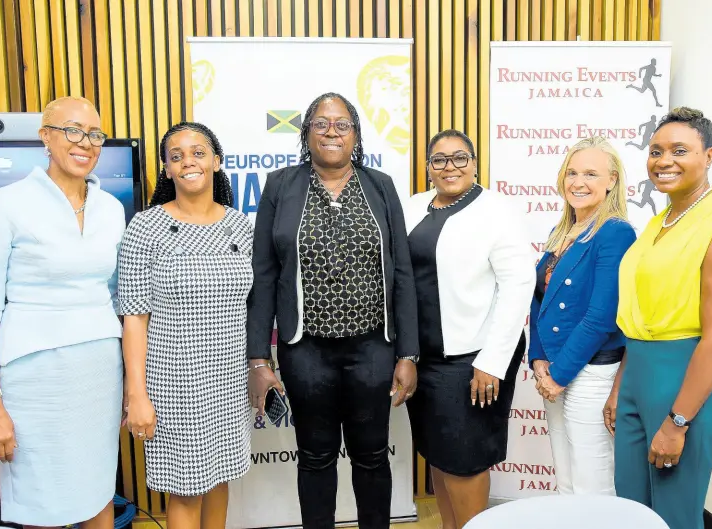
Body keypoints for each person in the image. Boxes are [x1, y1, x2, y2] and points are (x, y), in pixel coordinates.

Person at [246, 92, 418, 529]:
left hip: (372, 350)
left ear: (356, 134)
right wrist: (258, 359)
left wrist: (408, 354)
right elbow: (264, 275)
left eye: (342, 124)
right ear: (306, 133)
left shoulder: (380, 185)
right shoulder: (281, 185)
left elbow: (401, 273)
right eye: (320, 124)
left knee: (372, 456)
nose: (331, 132)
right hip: (306, 353)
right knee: (315, 458)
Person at [0, 97, 124, 527]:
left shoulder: (111, 209)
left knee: (97, 494)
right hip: (32, 381)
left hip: (100, 375)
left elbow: (115, 298)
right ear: (45, 137)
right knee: (40, 505)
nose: (85, 143)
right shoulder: (5, 205)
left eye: (95, 134)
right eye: (72, 130)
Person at [608, 107, 712, 529]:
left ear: (708, 157)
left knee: (673, 513)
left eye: (679, 150)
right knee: (632, 508)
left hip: (687, 378)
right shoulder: (659, 223)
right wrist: (622, 386)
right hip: (640, 373)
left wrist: (677, 422)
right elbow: (641, 316)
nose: (664, 160)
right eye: (656, 151)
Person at [118, 122, 252, 529]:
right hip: (176, 382)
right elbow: (134, 318)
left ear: (216, 160)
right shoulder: (145, 227)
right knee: (187, 488)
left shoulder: (241, 225)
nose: (188, 161)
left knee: (221, 478)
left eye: (197, 152)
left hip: (229, 380)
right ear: (166, 169)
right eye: (176, 156)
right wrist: (136, 394)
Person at [403, 130, 534, 529]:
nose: (450, 167)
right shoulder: (412, 207)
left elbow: (518, 285)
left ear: (475, 163)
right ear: (428, 168)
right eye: (439, 159)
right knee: (440, 457)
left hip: (472, 360)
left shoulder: (497, 210)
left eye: (460, 158)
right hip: (425, 358)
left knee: (465, 462)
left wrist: (491, 363)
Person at [528, 136, 636, 496]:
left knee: (592, 478)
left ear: (612, 181)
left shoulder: (616, 233)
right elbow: (539, 301)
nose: (578, 181)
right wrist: (539, 358)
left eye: (591, 173)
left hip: (589, 371)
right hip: (554, 367)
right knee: (565, 478)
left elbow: (601, 317)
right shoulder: (560, 231)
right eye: (572, 172)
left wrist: (557, 375)